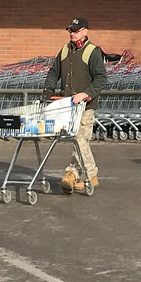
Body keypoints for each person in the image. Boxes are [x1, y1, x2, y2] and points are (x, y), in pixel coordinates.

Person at [42, 16, 107, 193]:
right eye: (70, 30)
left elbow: (101, 78)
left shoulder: (92, 52)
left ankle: (71, 174)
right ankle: (91, 175)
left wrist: (86, 94)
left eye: (76, 31)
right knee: (79, 141)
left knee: (80, 140)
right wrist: (48, 91)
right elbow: (54, 72)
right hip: (67, 106)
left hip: (85, 107)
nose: (72, 33)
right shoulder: (64, 50)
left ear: (85, 32)